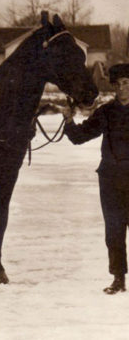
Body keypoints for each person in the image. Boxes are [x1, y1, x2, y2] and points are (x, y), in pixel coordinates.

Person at [63, 63, 129, 295]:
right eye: (117, 84)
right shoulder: (106, 112)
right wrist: (69, 121)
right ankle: (118, 279)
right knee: (114, 232)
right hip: (111, 180)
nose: (121, 89)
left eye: (126, 84)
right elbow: (80, 137)